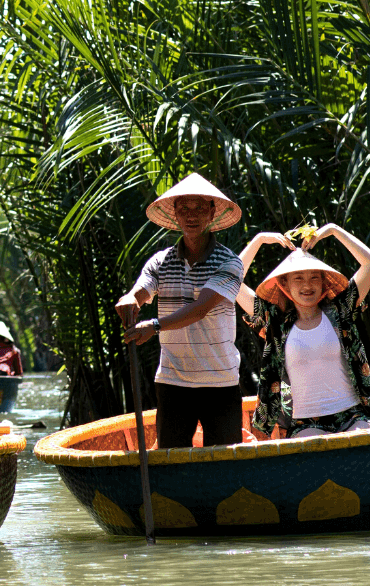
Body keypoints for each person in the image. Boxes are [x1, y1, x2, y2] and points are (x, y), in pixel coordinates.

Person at [116, 173, 283, 449]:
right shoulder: (161, 261)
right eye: (184, 209)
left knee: (225, 463)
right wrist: (129, 300)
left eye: (199, 208)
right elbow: (141, 289)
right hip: (172, 381)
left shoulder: (228, 263)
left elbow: (201, 308)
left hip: (219, 382)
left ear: (212, 213)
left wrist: (154, 326)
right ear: (176, 215)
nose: (191, 215)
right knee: (170, 460)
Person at [236, 224, 370, 438]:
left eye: (314, 277)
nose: (307, 285)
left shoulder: (340, 311)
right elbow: (231, 279)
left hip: (353, 415)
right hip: (305, 422)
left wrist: (333, 230)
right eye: (298, 278)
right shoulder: (276, 322)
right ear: (285, 285)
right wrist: (259, 239)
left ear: (324, 283)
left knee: (366, 443)